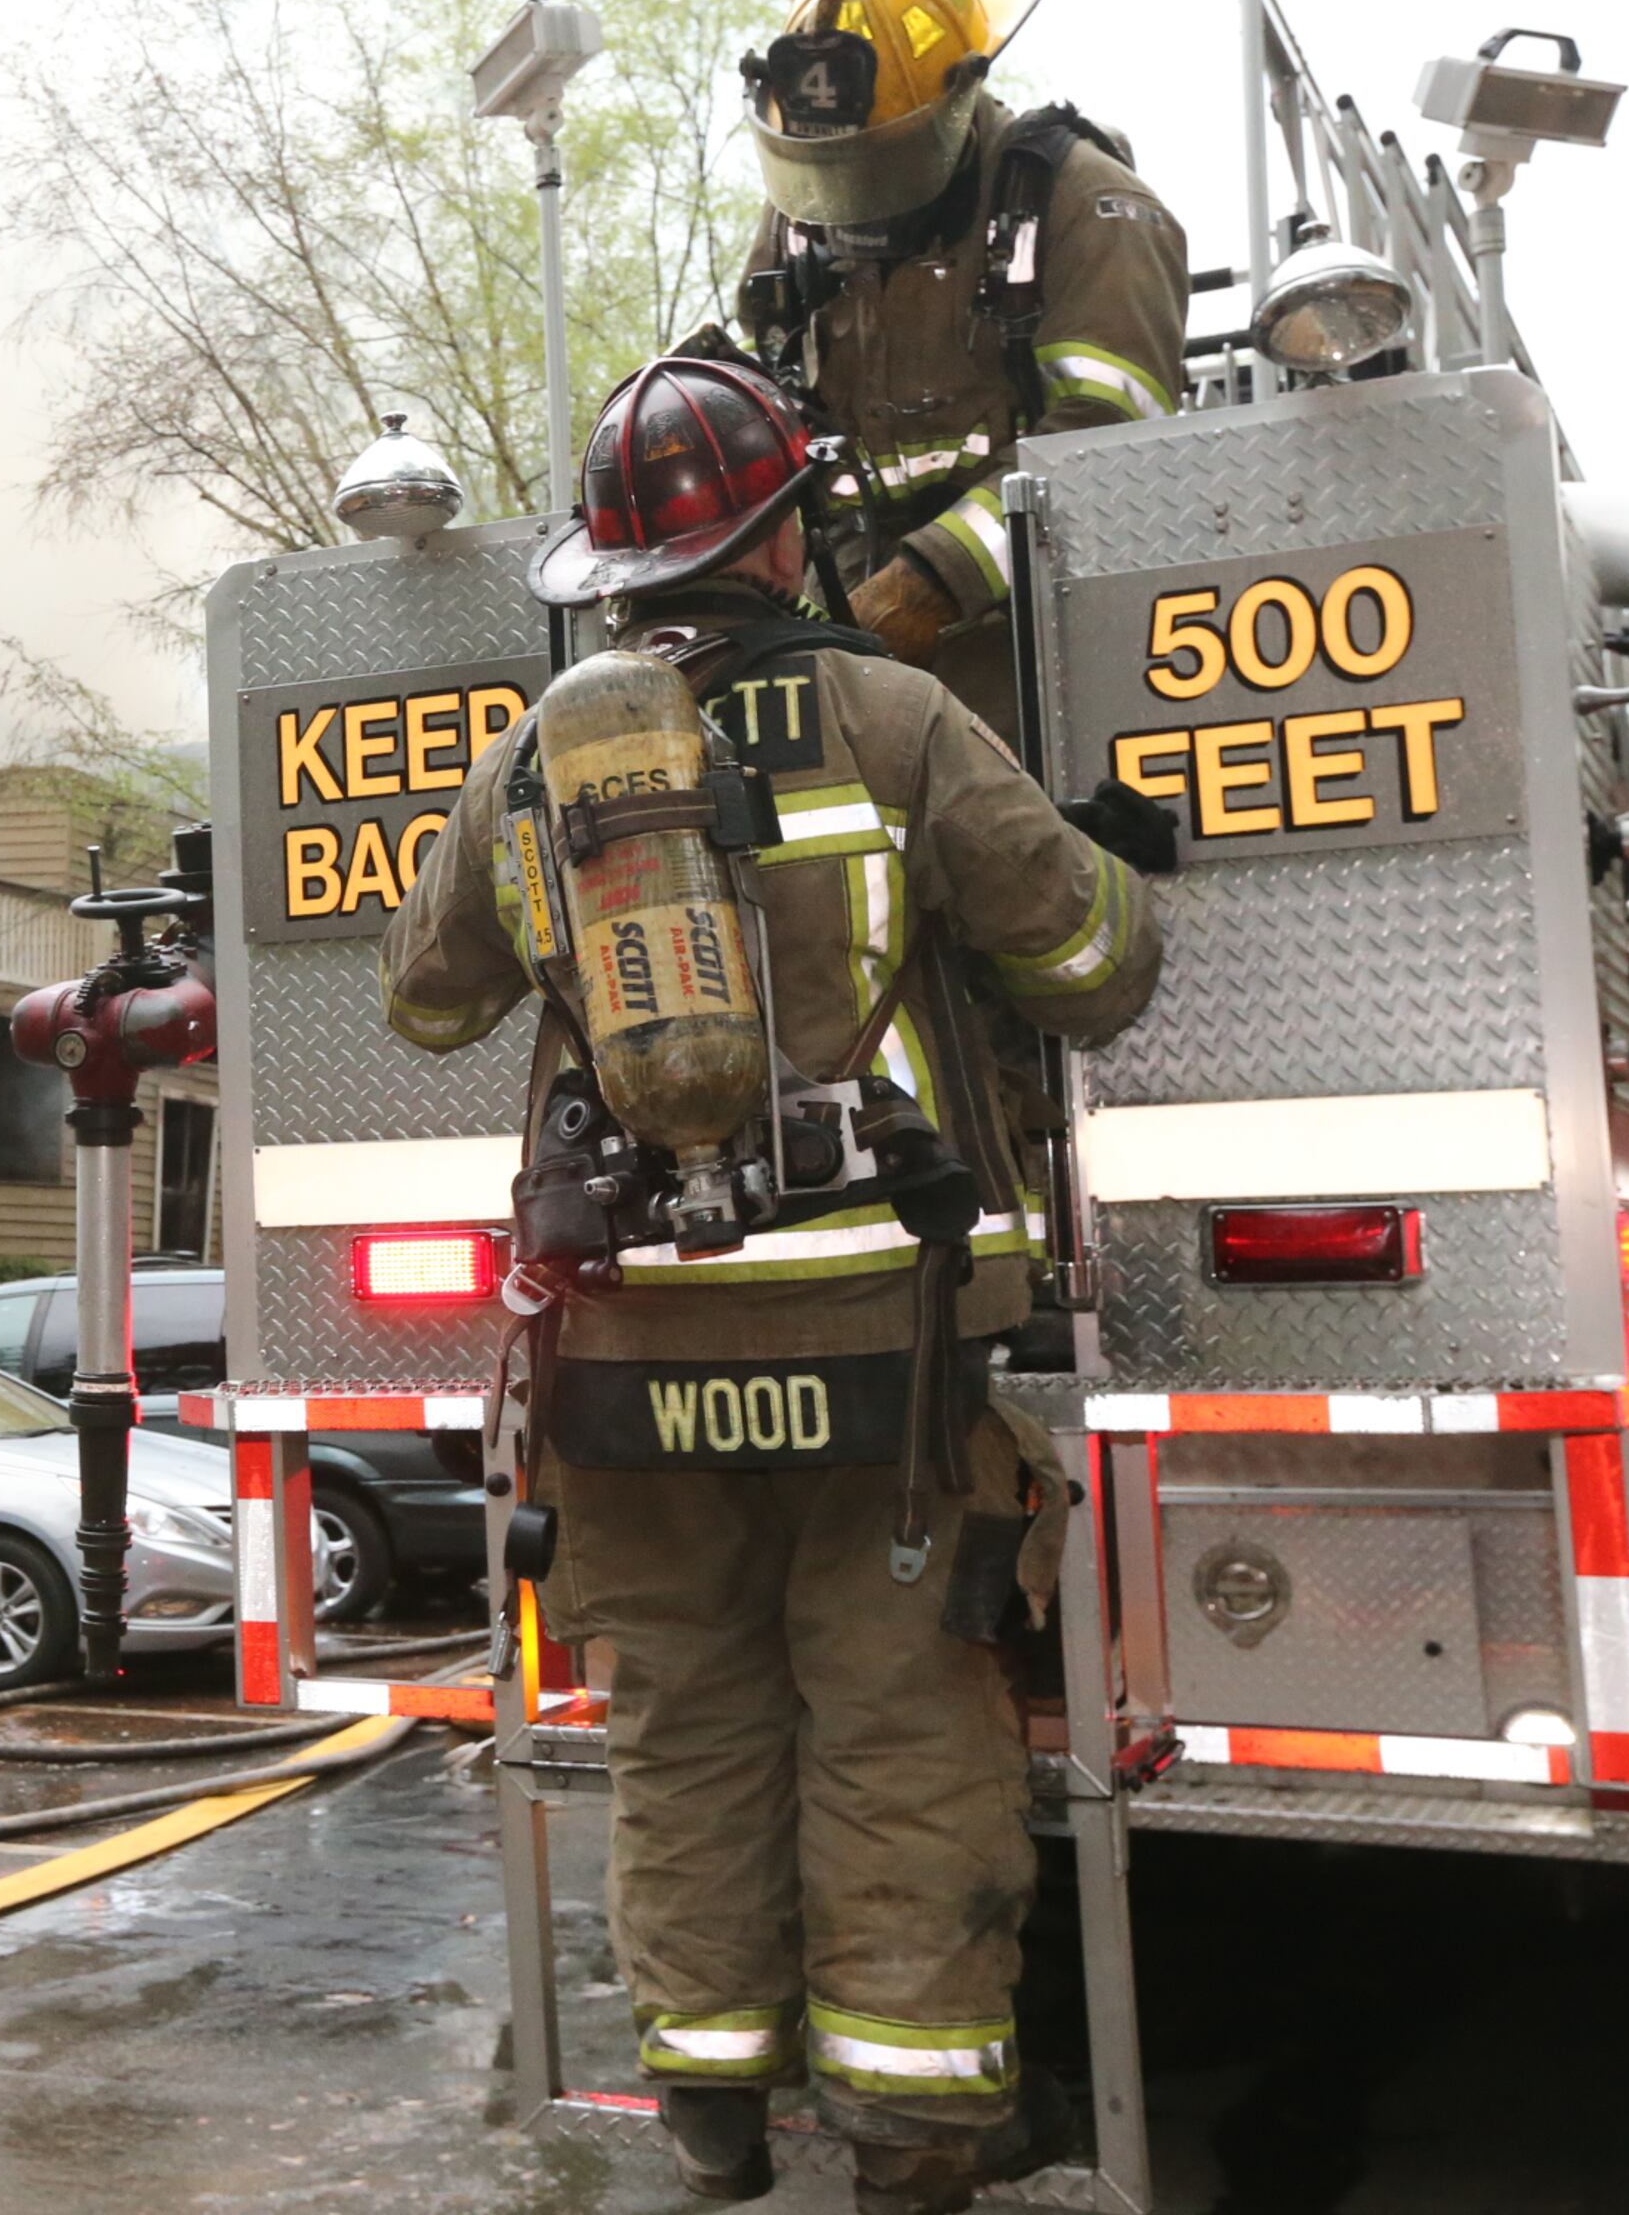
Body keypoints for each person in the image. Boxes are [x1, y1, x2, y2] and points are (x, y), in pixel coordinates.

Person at [378, 354, 1165, 2214]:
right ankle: (913, 2130)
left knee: (687, 1729)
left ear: (612, 574)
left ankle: (714, 2106)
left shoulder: (534, 760)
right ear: (791, 533)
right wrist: (1119, 871)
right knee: (897, 1724)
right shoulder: (895, 715)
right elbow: (1086, 970)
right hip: (885, 1340)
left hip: (626, 1347)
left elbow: (423, 1000)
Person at [733, 0, 1189, 724]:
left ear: (956, 103)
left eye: (874, 166)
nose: (849, 204)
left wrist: (933, 580)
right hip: (856, 656)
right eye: (827, 173)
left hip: (1050, 646)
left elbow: (1110, 445)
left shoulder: (1084, 205)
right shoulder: (801, 222)